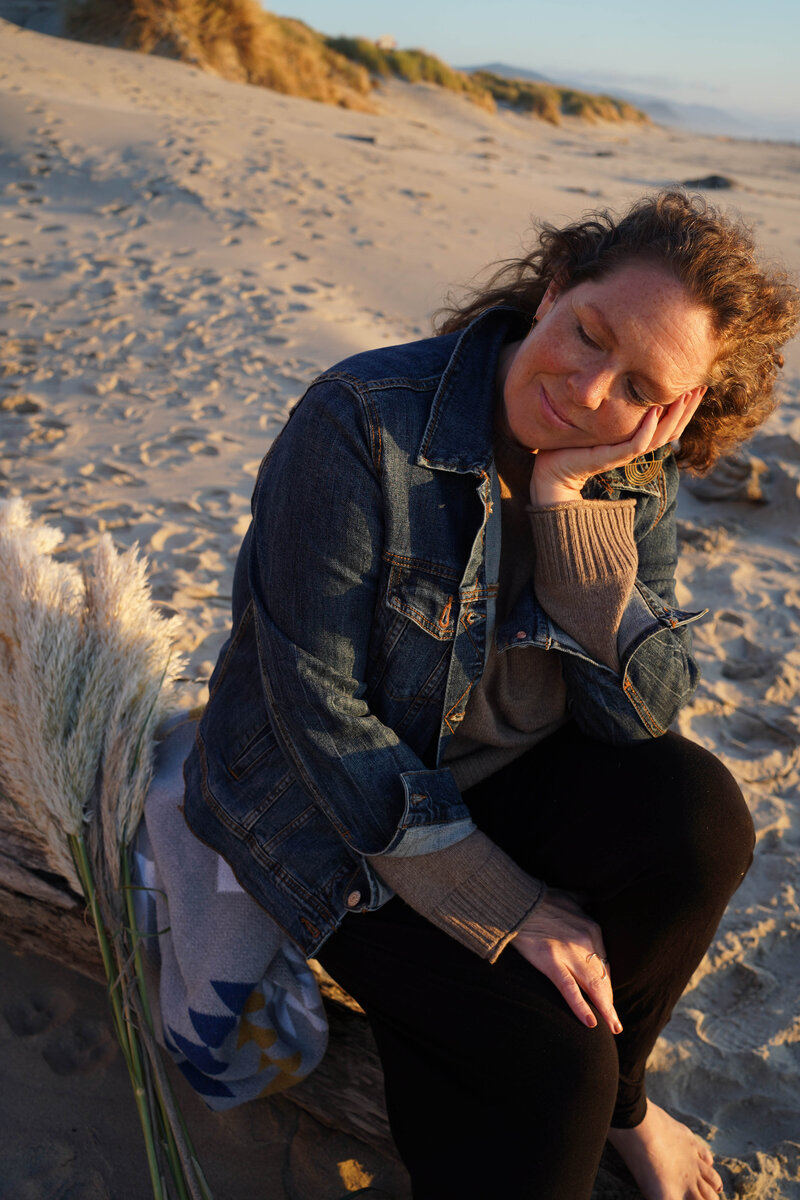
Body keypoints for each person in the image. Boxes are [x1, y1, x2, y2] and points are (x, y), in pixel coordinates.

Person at [182, 190, 799, 1199]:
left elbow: (639, 714)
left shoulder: (632, 469)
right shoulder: (361, 421)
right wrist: (501, 903)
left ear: (674, 408)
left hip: (496, 771)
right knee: (552, 1067)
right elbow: (317, 709)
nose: (590, 390)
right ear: (552, 289)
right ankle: (570, 1086)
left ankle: (622, 1101)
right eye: (587, 333)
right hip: (324, 808)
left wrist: (568, 509)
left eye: (640, 383)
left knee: (701, 820)